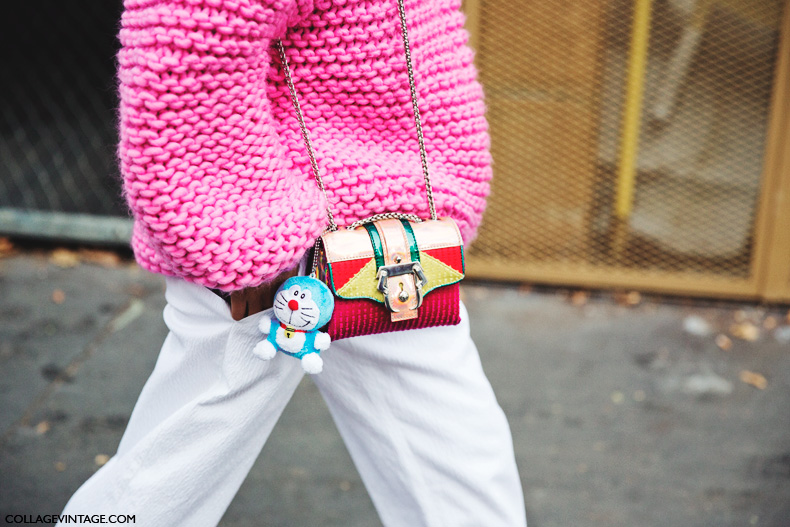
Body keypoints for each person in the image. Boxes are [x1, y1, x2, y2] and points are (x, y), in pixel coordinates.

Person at [59, 0, 527, 525]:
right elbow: (188, 46)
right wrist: (246, 233)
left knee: (457, 455)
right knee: (167, 474)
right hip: (269, 248)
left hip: (393, 241)